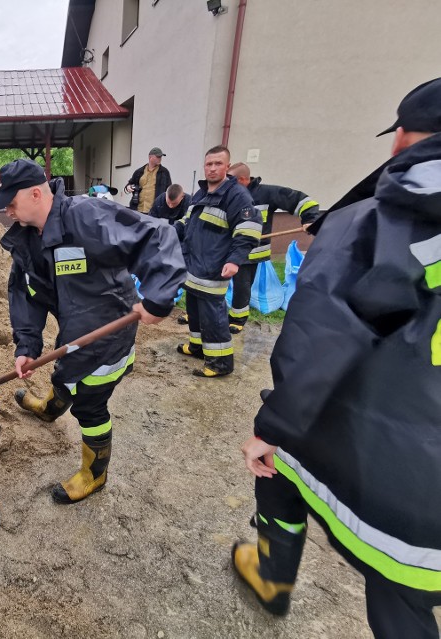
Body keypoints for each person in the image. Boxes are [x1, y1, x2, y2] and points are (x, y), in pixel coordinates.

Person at [233, 77, 441, 638]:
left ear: (401, 140)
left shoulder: (372, 224)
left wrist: (272, 426)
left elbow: (320, 336)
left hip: (409, 467)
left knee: (277, 469)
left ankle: (273, 577)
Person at [0, 158, 186, 504]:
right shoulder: (27, 241)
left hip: (108, 333)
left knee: (90, 405)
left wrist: (159, 294)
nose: (6, 211)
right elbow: (25, 295)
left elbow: (156, 234)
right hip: (75, 330)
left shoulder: (87, 217)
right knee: (65, 372)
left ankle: (94, 473)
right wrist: (27, 345)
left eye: (10, 202)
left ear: (36, 193)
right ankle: (50, 408)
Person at [174, 145, 260, 377]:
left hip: (213, 267)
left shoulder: (236, 195)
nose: (212, 168)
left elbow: (248, 230)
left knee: (213, 316)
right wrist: (171, 231)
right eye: (209, 164)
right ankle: (198, 347)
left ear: (227, 167)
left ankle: (220, 363)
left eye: (218, 164)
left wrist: (234, 260)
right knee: (194, 309)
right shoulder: (201, 193)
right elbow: (187, 220)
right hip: (193, 265)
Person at [224, 162, 321, 332]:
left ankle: (237, 319)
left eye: (230, 180)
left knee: (242, 286)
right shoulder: (230, 194)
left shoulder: (267, 193)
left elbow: (304, 201)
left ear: (243, 179)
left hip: (251, 253)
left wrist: (309, 219)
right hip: (228, 249)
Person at [124, 147, 172, 213]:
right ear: (150, 157)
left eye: (161, 157)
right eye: (158, 157)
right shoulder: (139, 171)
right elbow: (130, 183)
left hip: (154, 211)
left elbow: (169, 190)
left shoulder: (164, 172)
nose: (160, 159)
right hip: (138, 209)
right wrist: (128, 187)